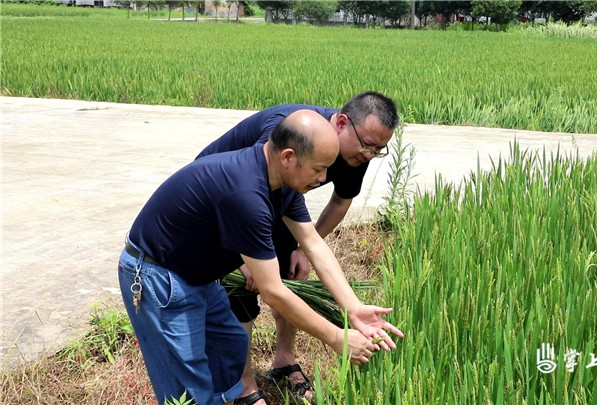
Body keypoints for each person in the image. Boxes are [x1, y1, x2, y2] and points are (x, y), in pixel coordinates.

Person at [119, 110, 403, 405]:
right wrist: (336, 337)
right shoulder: (246, 194)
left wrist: (353, 308)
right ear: (289, 157)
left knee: (229, 345)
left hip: (195, 276)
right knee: (187, 390)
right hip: (159, 276)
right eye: (319, 169)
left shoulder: (282, 184)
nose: (322, 179)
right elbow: (273, 292)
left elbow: (313, 244)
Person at [197, 91, 399, 403]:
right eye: (367, 145)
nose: (369, 155)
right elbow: (241, 194)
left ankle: (284, 359)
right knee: (245, 293)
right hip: (227, 204)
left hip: (277, 200)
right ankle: (244, 384)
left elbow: (340, 202)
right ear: (342, 123)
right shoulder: (290, 130)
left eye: (378, 150)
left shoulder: (355, 152)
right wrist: (240, 257)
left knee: (292, 279)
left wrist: (302, 250)